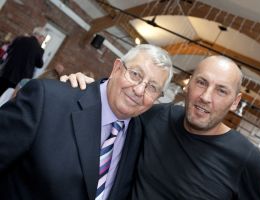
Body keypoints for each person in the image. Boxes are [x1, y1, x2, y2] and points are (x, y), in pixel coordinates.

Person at [68, 55, 260, 199]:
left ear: (235, 102)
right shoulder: (155, 117)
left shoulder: (248, 161)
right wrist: (89, 91)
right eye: (201, 82)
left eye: (221, 91)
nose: (206, 97)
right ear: (188, 84)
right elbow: (116, 106)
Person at [0, 44, 173, 200]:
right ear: (117, 68)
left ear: (158, 97)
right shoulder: (47, 100)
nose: (139, 90)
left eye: (152, 87)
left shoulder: (141, 138)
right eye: (135, 74)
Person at [0, 27, 46, 96]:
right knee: (8, 99)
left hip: (6, 72)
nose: (43, 41)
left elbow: (8, 50)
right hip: (19, 80)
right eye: (43, 39)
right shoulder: (39, 49)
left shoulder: (19, 38)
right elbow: (40, 64)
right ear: (40, 37)